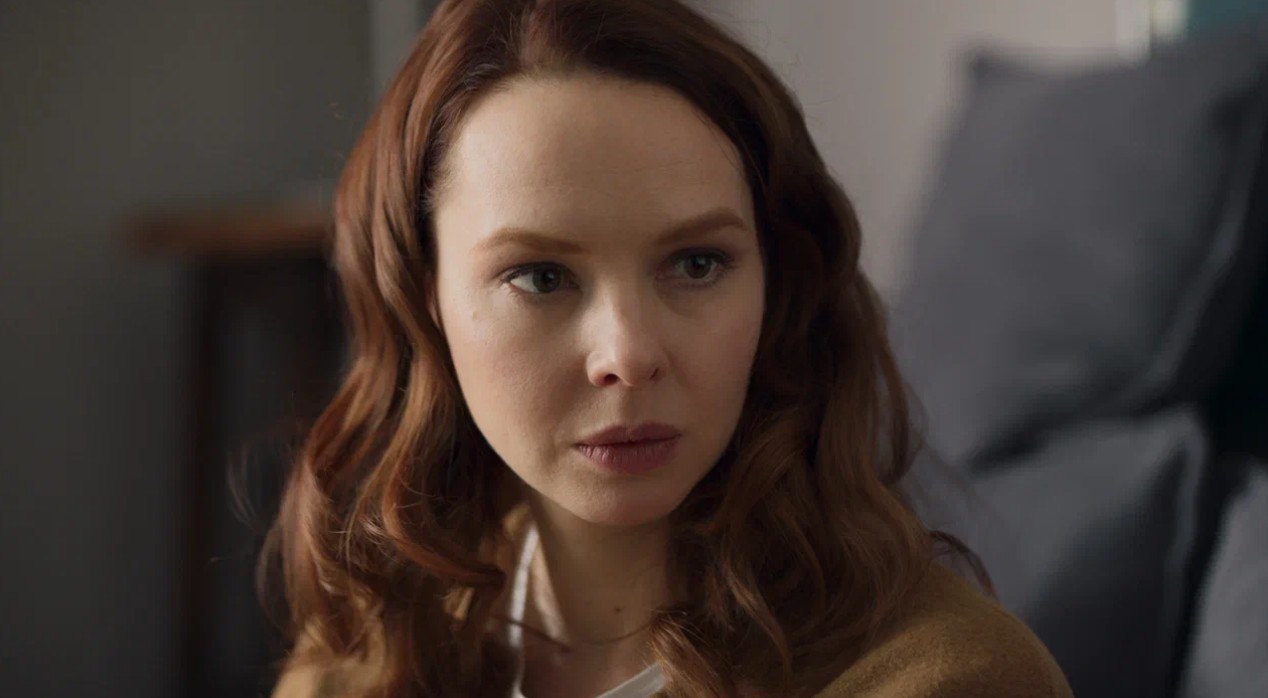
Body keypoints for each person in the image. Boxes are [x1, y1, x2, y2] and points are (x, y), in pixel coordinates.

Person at [262, 0, 1074, 696]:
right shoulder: (366, 657)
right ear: (424, 300)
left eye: (696, 264)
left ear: (777, 283)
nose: (626, 354)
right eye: (542, 277)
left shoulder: (950, 679)